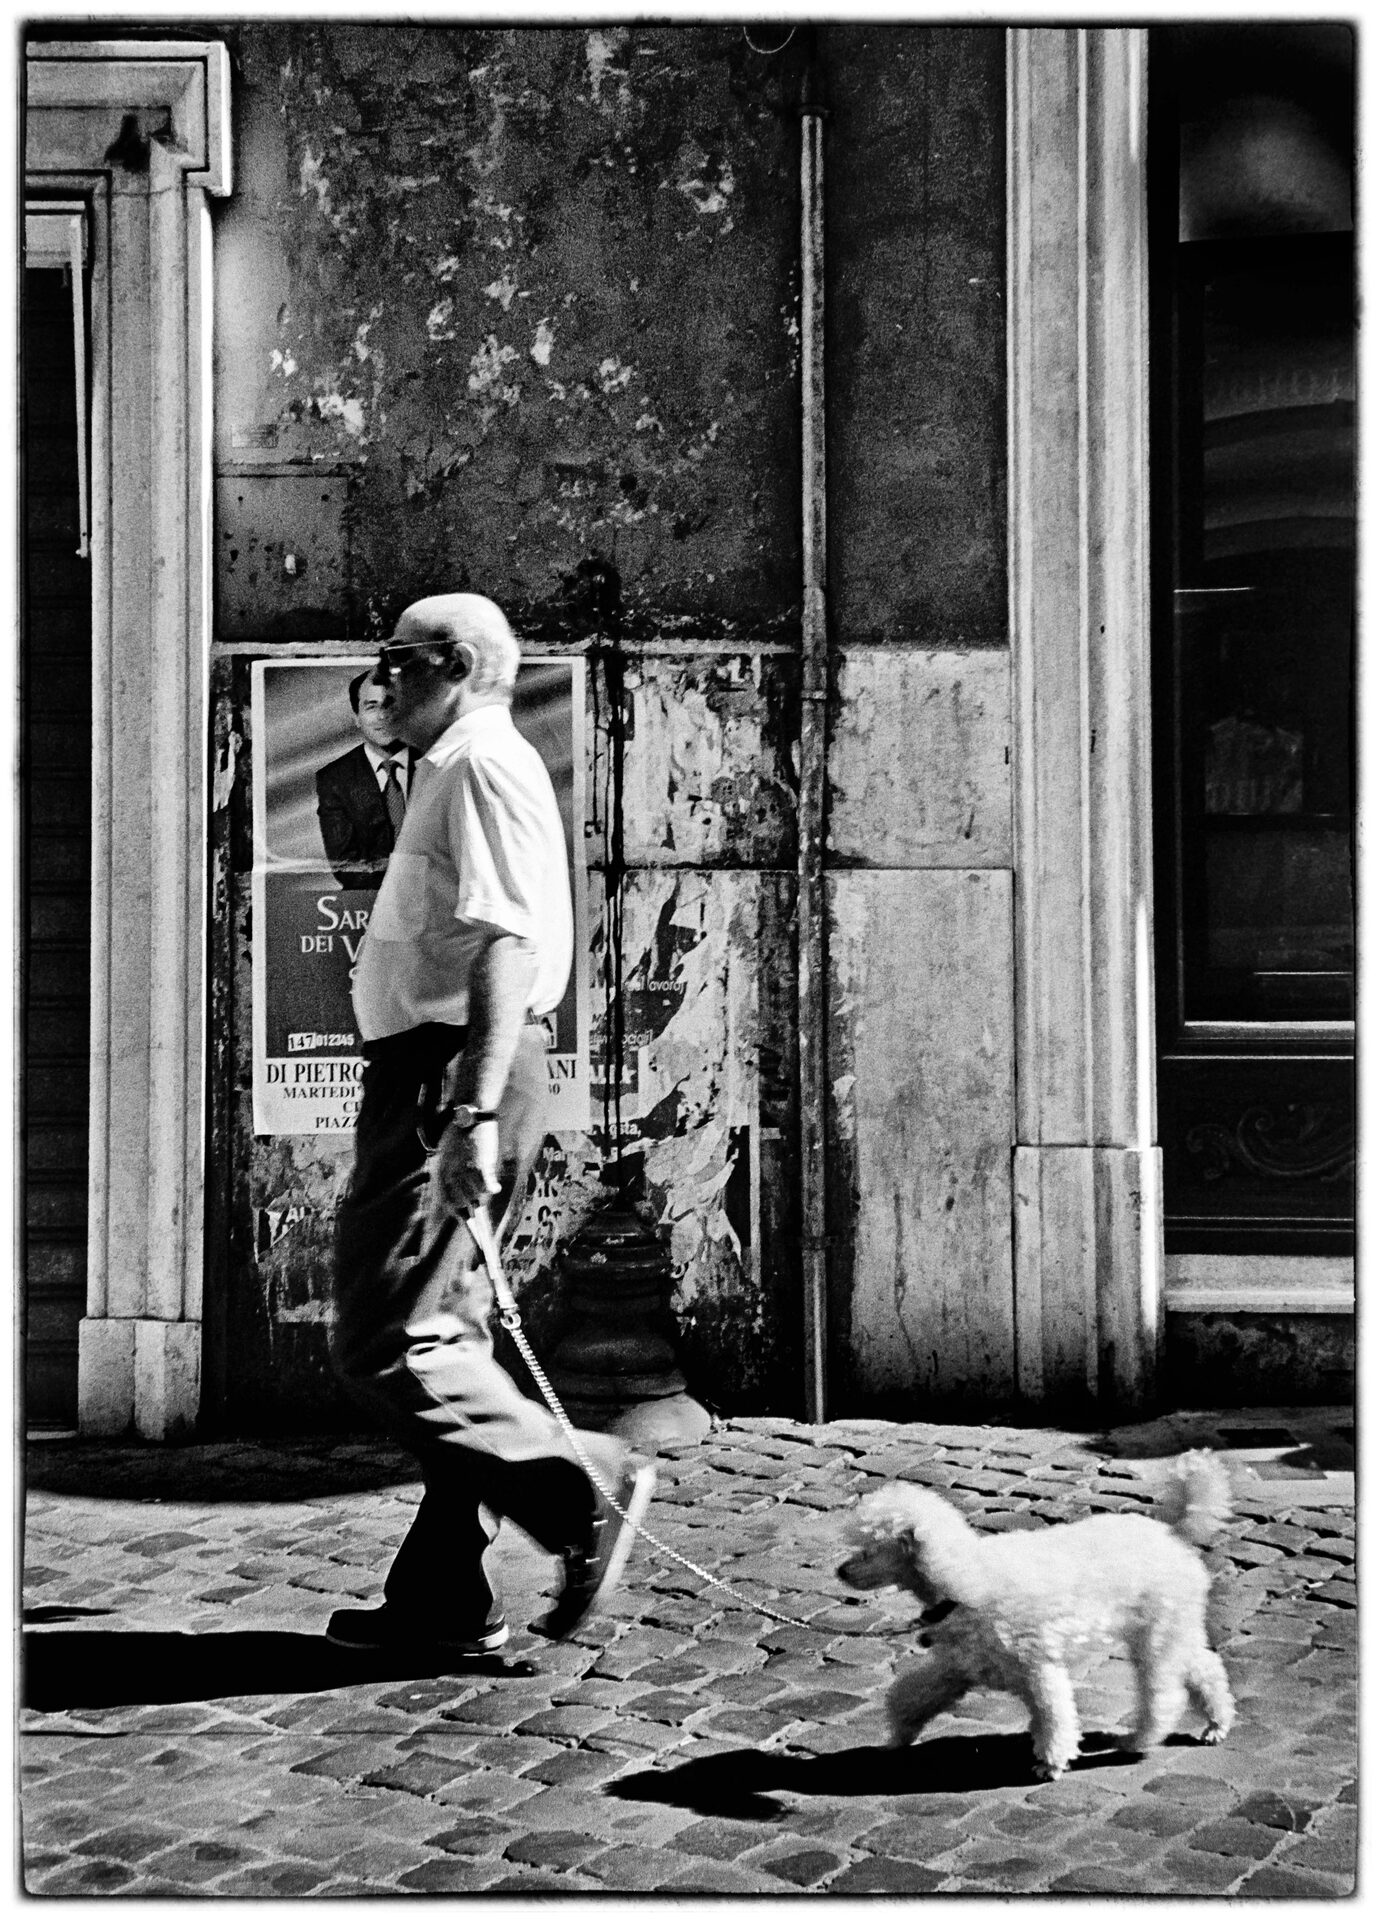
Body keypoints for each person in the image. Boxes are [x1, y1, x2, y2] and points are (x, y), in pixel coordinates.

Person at [326, 592, 655, 1656]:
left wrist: (465, 1110)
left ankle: (579, 1492)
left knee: (393, 1339)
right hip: (451, 1070)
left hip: (446, 1073)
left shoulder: (475, 763)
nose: (382, 683)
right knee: (448, 1337)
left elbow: (505, 944)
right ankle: (439, 1602)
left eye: (398, 660)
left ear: (456, 663)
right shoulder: (465, 765)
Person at [314, 671, 416, 890]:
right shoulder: (334, 779)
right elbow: (345, 865)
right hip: (368, 902)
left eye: (391, 704)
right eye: (371, 706)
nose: (383, 716)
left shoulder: (437, 763)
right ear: (357, 718)